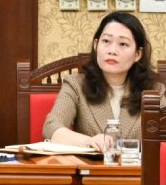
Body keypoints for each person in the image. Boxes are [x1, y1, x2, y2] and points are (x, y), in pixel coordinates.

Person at [43, 11, 164, 150]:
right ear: (96, 45)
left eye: (123, 44)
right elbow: (51, 127)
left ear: (138, 54)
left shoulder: (155, 90)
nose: (112, 50)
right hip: (92, 170)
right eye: (106, 41)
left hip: (142, 171)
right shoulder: (76, 85)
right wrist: (89, 141)